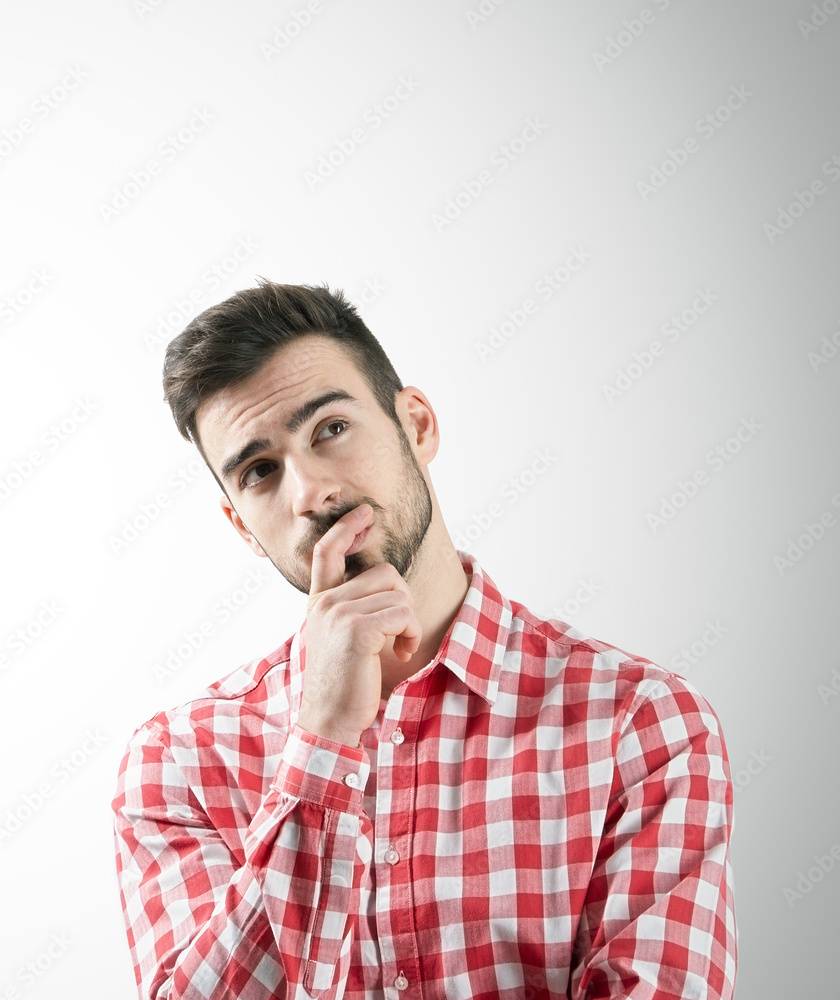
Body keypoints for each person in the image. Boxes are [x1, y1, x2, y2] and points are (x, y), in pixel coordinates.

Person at [111, 280, 737, 999]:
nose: (310, 492)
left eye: (330, 429)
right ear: (241, 527)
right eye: (260, 471)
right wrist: (321, 742)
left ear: (417, 424)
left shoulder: (640, 723)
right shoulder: (179, 763)